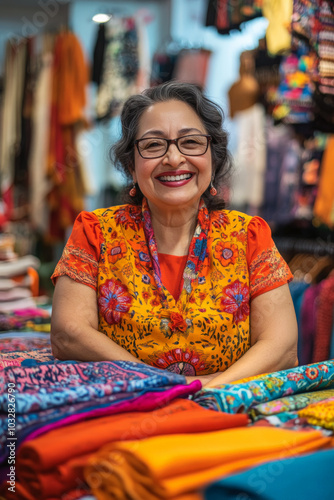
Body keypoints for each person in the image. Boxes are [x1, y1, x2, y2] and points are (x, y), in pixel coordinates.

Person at [51, 81, 298, 388]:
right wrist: (159, 383)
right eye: (153, 145)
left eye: (191, 143)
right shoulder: (95, 232)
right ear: (131, 164)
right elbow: (67, 333)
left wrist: (207, 388)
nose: (173, 159)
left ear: (213, 157)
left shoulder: (248, 236)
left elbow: (282, 346)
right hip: (127, 412)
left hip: (224, 415)